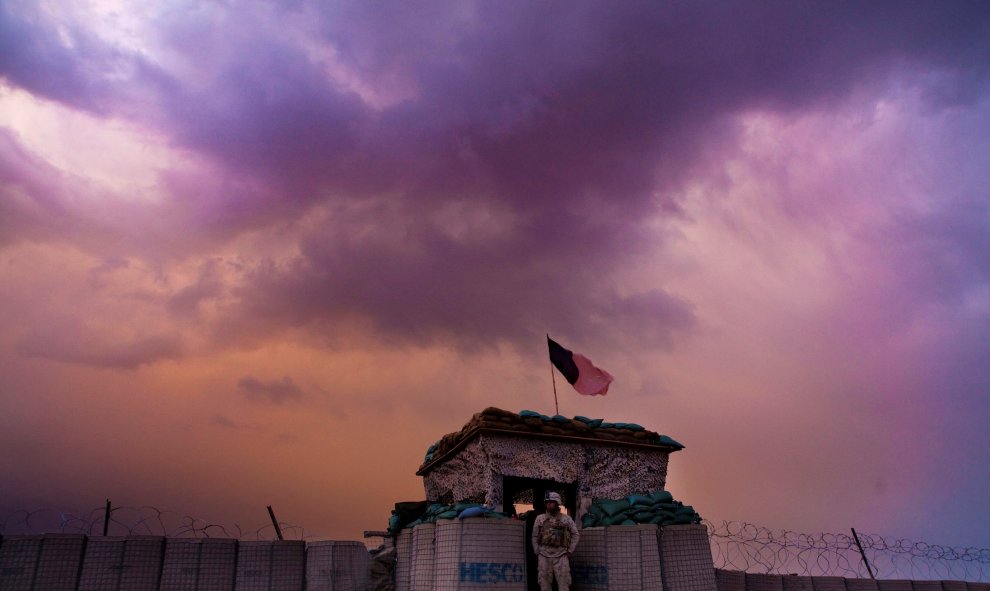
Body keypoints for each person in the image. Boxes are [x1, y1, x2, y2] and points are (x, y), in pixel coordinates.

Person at [531, 492, 580, 591]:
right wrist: (537, 551)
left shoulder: (566, 519)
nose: (549, 504)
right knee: (544, 585)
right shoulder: (540, 519)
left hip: (561, 555)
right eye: (547, 502)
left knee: (564, 585)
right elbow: (534, 536)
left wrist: (570, 551)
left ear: (557, 503)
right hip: (544, 555)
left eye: (551, 502)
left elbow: (575, 534)